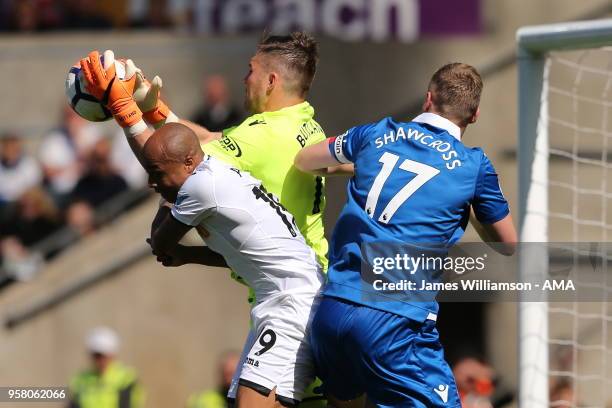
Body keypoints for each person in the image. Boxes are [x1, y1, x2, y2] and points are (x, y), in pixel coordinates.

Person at [79, 32, 344, 406]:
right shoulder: (299, 122)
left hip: (291, 297)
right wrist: (155, 110)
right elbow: (197, 143)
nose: (243, 79)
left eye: (250, 71)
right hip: (296, 284)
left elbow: (174, 164)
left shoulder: (263, 136)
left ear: (271, 80)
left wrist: (126, 111)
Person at [294, 63, 517, 407]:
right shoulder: (473, 166)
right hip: (395, 319)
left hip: (333, 309)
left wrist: (355, 167)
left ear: (428, 99)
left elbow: (305, 160)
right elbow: (508, 244)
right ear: (474, 116)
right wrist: (470, 209)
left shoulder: (374, 134)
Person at [144, 123, 323, 407]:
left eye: (156, 172)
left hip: (292, 303)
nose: (151, 183)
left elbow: (160, 242)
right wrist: (189, 256)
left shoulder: (200, 187)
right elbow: (240, 257)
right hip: (287, 297)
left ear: (189, 162)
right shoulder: (218, 174)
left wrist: (166, 204)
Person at [68, 326, 144, 408]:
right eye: (96, 355)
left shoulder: (126, 379)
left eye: (104, 356)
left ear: (112, 355)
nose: (101, 360)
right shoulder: (79, 380)